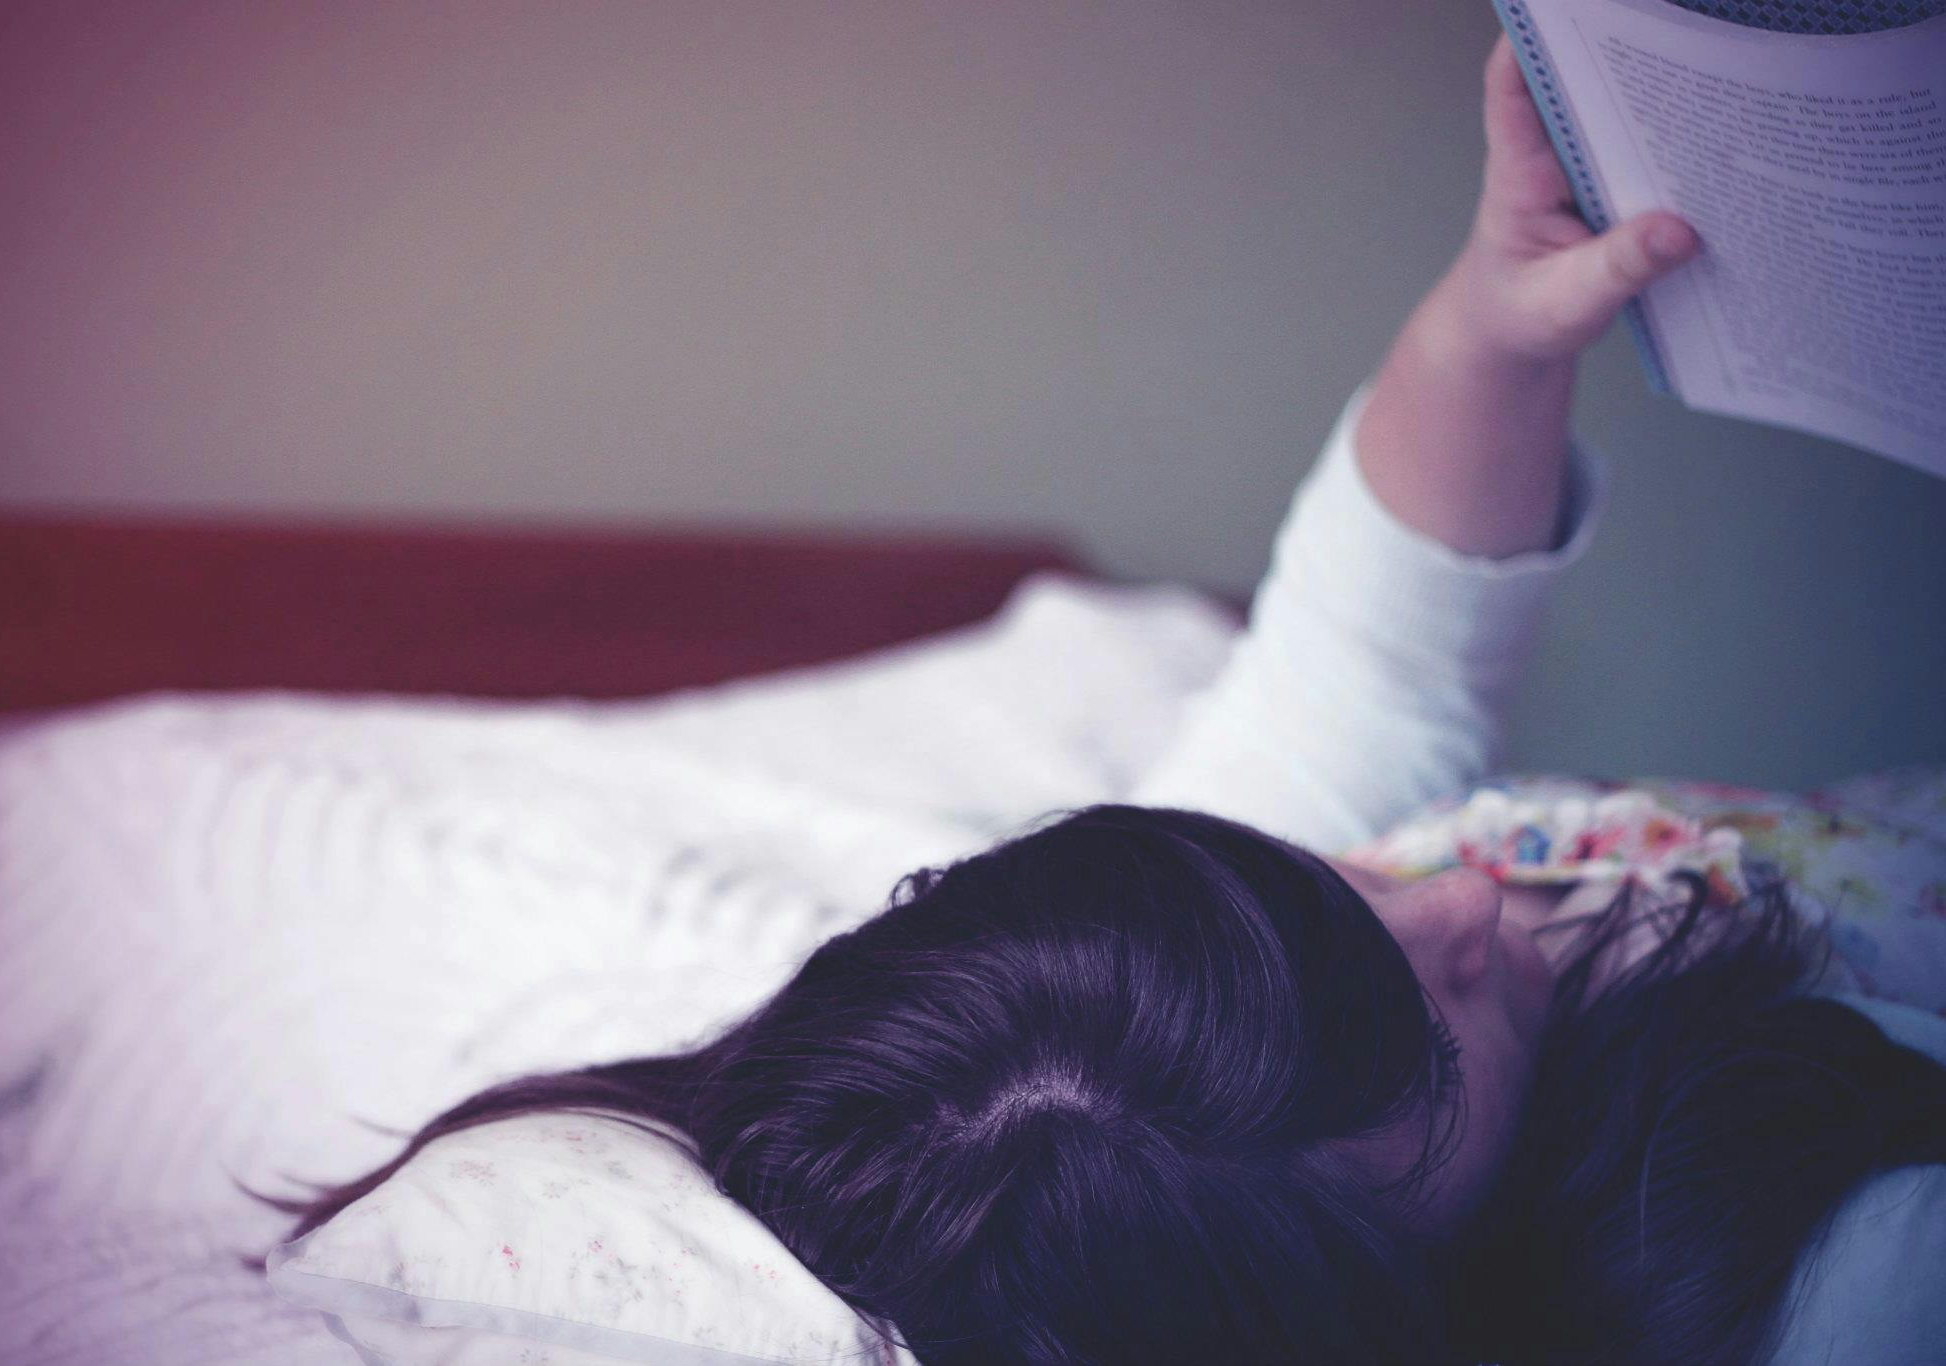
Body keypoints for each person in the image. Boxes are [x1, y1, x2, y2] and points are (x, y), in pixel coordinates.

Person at [261, 35, 1946, 1365]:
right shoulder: (1823, 1278)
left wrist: (1494, 327)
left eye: (1336, 889)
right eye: (1442, 1046)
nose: (1466, 893)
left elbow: (1377, 650)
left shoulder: (1203, 1007)